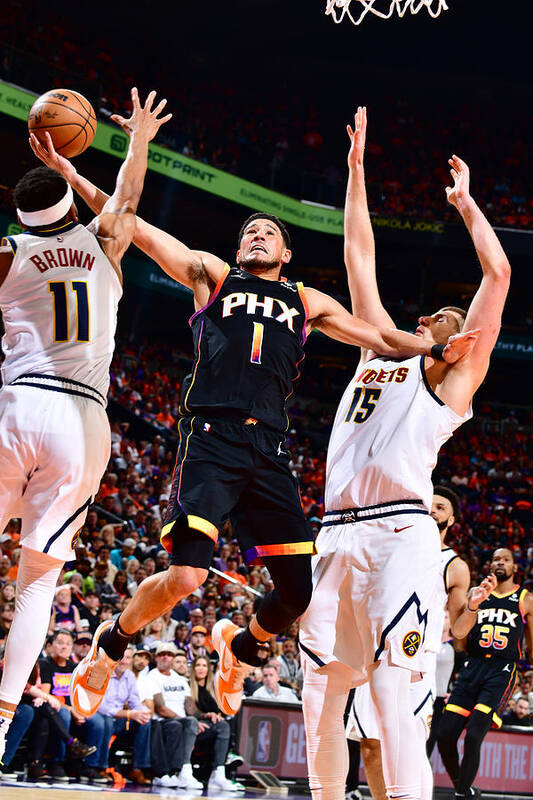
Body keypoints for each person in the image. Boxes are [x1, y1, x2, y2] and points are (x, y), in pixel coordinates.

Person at [34, 126, 478, 723]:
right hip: (213, 441)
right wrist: (68, 173)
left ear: (286, 253)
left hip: (267, 451)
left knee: (299, 594)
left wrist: (438, 353)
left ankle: (238, 651)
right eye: (250, 231)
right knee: (187, 574)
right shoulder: (213, 276)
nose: (258, 234)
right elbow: (130, 225)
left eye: (269, 232)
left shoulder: (308, 300)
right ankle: (111, 642)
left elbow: (380, 338)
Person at [299, 106, 510, 800]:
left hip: (399, 534)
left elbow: (498, 275)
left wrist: (466, 206)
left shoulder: (453, 381)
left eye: (447, 320)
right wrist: (356, 171)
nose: (431, 320)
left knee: (394, 696)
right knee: (319, 695)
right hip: (333, 532)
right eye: (430, 317)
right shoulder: (379, 348)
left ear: (462, 339)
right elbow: (359, 255)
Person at [0, 87, 171, 763]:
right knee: (37, 582)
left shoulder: (10, 250)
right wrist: (138, 142)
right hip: (83, 420)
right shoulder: (104, 241)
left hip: (19, 403)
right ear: (71, 204)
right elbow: (125, 199)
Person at [345, 486, 472, 800]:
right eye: (431, 504)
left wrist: (472, 606)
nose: (434, 509)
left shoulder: (454, 566)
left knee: (412, 748)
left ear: (451, 520)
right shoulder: (393, 547)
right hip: (378, 652)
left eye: (441, 507)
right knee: (371, 746)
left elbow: (458, 630)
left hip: (418, 660)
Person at [437, 548, 533, 800]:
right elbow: (459, 637)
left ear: (515, 567)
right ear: (490, 566)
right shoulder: (477, 594)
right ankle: (464, 787)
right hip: (473, 666)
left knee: (473, 737)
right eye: (496, 559)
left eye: (506, 559)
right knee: (445, 736)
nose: (500, 562)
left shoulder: (525, 598)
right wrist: (472, 605)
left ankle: (459, 795)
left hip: (501, 671)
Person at [148, 641, 203, 789]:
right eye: (162, 654)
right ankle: (175, 772)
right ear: (156, 658)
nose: (166, 657)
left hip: (182, 719)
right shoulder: (152, 677)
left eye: (169, 655)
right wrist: (185, 719)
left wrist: (204, 718)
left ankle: (185, 770)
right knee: (176, 725)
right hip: (161, 721)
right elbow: (161, 709)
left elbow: (190, 706)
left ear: (173, 658)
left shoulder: (180, 680)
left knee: (211, 724)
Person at [96, 647, 152, 785]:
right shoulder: (103, 673)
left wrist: (141, 712)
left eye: (127, 658)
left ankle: (138, 768)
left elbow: (134, 701)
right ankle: (101, 767)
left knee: (145, 722)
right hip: (103, 717)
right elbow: (101, 707)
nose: (123, 661)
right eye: (121, 657)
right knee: (107, 722)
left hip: (121, 720)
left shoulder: (130, 676)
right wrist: (129, 714)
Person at [188, 655, 243, 792]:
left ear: (209, 669)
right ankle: (222, 765)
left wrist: (218, 714)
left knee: (230, 718)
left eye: (204, 665)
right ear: (193, 668)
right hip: (197, 726)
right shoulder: (188, 687)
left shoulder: (213, 689)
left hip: (212, 727)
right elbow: (191, 711)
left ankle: (220, 770)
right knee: (223, 726)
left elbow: (219, 710)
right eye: (198, 665)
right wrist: (207, 716)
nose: (201, 669)